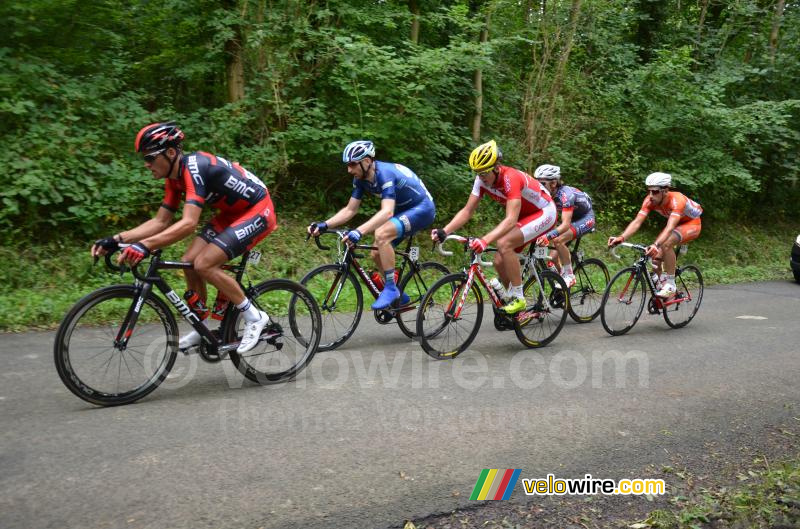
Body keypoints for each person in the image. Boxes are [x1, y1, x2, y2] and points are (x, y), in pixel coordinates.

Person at [90, 122, 278, 353]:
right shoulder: (173, 177)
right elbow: (160, 221)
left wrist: (144, 246)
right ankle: (202, 328)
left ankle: (255, 316)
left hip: (257, 210)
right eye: (144, 160)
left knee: (205, 264)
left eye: (150, 158)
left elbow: (189, 223)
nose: (147, 165)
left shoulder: (194, 169)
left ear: (170, 153)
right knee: (190, 261)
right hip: (231, 214)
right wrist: (117, 239)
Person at [431, 140, 557, 314]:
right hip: (525, 215)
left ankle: (519, 298)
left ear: (496, 167)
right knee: (499, 261)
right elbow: (467, 211)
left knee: (504, 243)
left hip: (544, 212)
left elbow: (511, 220)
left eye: (484, 173)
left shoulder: (510, 177)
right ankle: (513, 298)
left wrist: (484, 240)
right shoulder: (481, 181)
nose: (481, 177)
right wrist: (445, 231)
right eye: (477, 173)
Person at [307, 140, 436, 310]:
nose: (349, 170)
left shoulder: (385, 174)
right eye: (348, 165)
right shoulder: (361, 179)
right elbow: (350, 210)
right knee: (376, 253)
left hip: (422, 209)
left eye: (353, 164)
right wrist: (324, 225)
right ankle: (400, 296)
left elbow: (387, 212)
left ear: (367, 161)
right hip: (403, 210)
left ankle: (390, 288)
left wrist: (359, 231)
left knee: (382, 234)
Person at [607, 172, 702, 298]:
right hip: (676, 224)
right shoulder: (649, 200)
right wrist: (621, 237)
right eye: (649, 191)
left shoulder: (677, 200)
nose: (651, 195)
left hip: (692, 224)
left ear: (665, 190)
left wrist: (656, 245)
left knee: (666, 244)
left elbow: (670, 227)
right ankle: (664, 296)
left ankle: (671, 284)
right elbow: (637, 222)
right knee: (655, 260)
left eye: (655, 192)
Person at [533, 164, 596, 288]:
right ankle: (562, 278)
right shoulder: (546, 195)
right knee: (552, 259)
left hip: (585, 218)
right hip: (571, 218)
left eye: (542, 183)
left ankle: (570, 277)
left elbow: (565, 225)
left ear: (553, 183)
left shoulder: (565, 195)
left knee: (558, 240)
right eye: (537, 183)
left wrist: (547, 236)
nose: (539, 187)